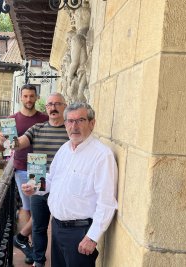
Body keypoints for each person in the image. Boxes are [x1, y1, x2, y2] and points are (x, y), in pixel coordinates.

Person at [22, 102, 118, 267]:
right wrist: (35, 187)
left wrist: (92, 237)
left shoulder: (102, 156)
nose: (74, 126)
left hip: (80, 234)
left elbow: (106, 202)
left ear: (92, 123)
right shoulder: (65, 149)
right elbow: (52, 179)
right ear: (65, 124)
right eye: (70, 121)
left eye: (80, 120)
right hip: (57, 228)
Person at [1, 92, 69, 267]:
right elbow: (17, 143)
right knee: (39, 226)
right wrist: (3, 140)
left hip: (64, 186)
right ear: (46, 108)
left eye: (57, 104)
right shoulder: (37, 129)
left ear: (64, 107)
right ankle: (39, 261)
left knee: (63, 227)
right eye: (50, 104)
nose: (53, 107)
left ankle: (62, 260)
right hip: (39, 183)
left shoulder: (71, 130)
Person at [0, 84, 48, 264]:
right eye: (25, 96)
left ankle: (23, 238)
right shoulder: (12, 120)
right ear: (21, 98)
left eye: (31, 96)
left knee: (41, 208)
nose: (28, 100)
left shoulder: (45, 118)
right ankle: (30, 245)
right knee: (28, 208)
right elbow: (4, 149)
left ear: (36, 97)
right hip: (20, 168)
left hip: (40, 166)